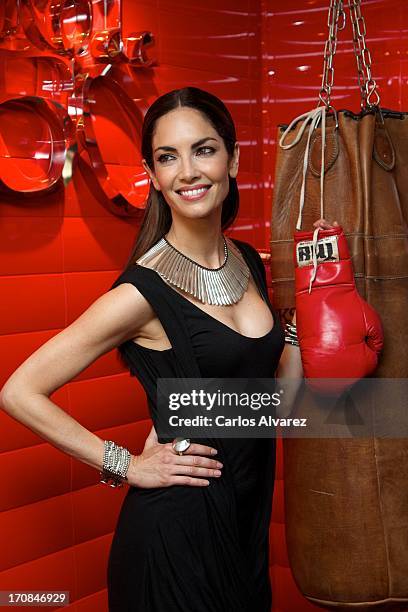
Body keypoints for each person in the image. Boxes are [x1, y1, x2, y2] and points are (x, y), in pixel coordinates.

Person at [0, 86, 336, 611]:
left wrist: (305, 305)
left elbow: (274, 408)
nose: (188, 172)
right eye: (167, 157)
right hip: (172, 539)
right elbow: (19, 392)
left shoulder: (246, 261)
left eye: (203, 149)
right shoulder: (141, 293)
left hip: (242, 532)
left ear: (232, 157)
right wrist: (126, 464)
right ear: (153, 177)